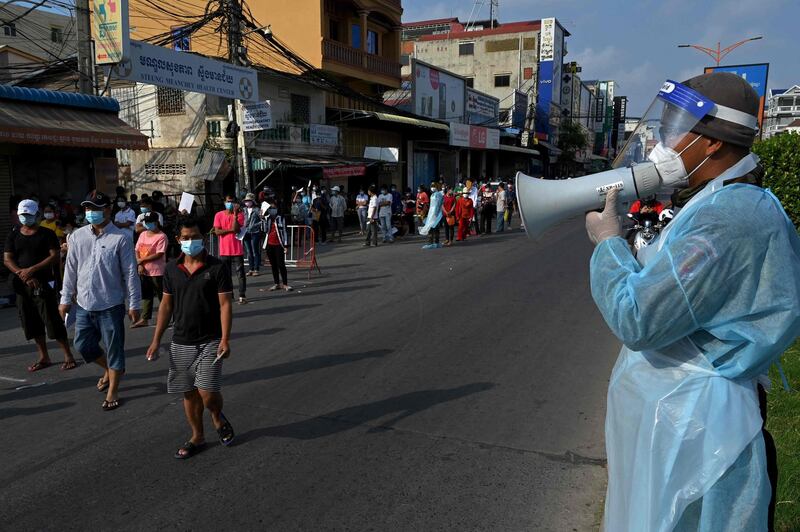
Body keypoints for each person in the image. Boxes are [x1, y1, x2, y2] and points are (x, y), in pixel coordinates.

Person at [585, 72, 800, 531]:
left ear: (712, 144)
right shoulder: (719, 204)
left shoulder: (728, 218)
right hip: (689, 419)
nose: (667, 139)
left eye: (676, 127)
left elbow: (638, 317)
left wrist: (608, 246)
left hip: (702, 433)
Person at [146, 215, 235, 459]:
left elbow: (225, 304)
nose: (191, 241)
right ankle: (197, 435)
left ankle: (216, 415)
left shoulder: (217, 267)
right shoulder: (172, 269)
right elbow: (165, 306)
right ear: (178, 240)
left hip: (211, 339)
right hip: (181, 341)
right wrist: (156, 340)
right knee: (189, 392)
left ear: (203, 238)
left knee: (207, 392)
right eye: (186, 238)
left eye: (195, 237)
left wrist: (225, 339)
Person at [59, 191, 141, 411]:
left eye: (95, 209)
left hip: (111, 304)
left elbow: (130, 273)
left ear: (107, 210)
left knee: (114, 348)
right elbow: (71, 269)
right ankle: (110, 369)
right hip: (84, 303)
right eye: (87, 209)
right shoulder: (77, 236)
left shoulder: (121, 238)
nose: (90, 213)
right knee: (82, 345)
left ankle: (113, 389)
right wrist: (65, 298)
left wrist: (134, 304)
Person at [4, 199, 76, 372]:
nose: (25, 218)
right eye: (23, 215)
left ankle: (68, 355)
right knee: (31, 322)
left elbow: (54, 255)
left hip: (44, 283)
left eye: (28, 215)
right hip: (22, 285)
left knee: (52, 320)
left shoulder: (46, 234)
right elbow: (7, 259)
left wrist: (32, 269)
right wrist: (23, 274)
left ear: (36, 215)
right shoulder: (13, 234)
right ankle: (44, 356)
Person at [132, 212, 167, 328]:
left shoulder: (161, 236)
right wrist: (140, 264)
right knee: (147, 295)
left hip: (157, 271)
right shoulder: (143, 234)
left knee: (163, 296)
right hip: (144, 271)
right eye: (146, 222)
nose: (147, 224)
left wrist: (141, 261)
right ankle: (145, 319)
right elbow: (137, 249)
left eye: (150, 222)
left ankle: (165, 317)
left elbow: (159, 254)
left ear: (156, 222)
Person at [213, 194, 247, 305]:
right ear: (224, 202)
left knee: (240, 274)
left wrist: (235, 215)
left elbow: (236, 229)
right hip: (224, 251)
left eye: (232, 201)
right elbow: (217, 231)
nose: (230, 204)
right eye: (228, 201)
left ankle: (242, 294)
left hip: (237, 250)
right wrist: (230, 230)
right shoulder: (218, 215)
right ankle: (230, 294)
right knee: (226, 274)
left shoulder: (240, 215)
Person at [261, 201, 292, 292]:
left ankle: (285, 284)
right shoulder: (267, 218)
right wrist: (262, 219)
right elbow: (264, 230)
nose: (272, 210)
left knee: (281, 264)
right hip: (269, 244)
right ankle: (276, 283)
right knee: (273, 265)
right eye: (270, 208)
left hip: (279, 245)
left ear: (277, 209)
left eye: (274, 208)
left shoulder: (281, 218)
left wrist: (286, 245)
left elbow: (285, 232)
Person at [242, 192, 263, 277]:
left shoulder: (257, 210)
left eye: (249, 200)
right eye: (246, 201)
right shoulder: (243, 210)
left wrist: (254, 225)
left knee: (255, 251)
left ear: (253, 201)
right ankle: (251, 269)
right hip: (245, 232)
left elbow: (262, 220)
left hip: (255, 232)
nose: (247, 202)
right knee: (249, 252)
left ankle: (256, 269)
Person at [419, 183, 444, 249]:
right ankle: (432, 242)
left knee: (435, 228)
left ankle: (435, 242)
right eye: (432, 187)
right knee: (431, 228)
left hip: (436, 214)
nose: (432, 188)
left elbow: (438, 205)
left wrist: (436, 214)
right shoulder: (432, 195)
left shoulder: (439, 194)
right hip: (431, 214)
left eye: (434, 186)